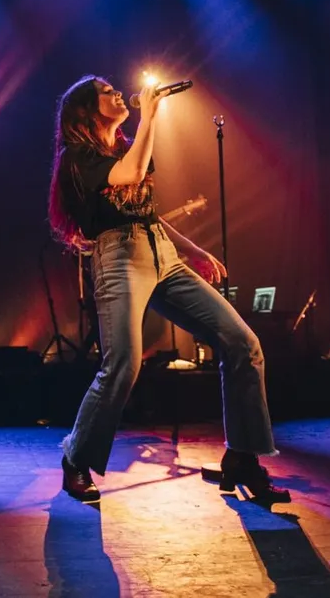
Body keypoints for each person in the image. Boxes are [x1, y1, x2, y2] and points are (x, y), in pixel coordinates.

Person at [48, 76, 288, 503]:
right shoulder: (78, 158)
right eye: (107, 92)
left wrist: (193, 250)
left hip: (161, 254)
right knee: (123, 364)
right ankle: (76, 458)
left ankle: (244, 457)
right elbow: (131, 176)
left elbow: (149, 212)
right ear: (86, 109)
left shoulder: (127, 147)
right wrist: (151, 114)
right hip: (119, 258)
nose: (118, 93)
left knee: (241, 342)